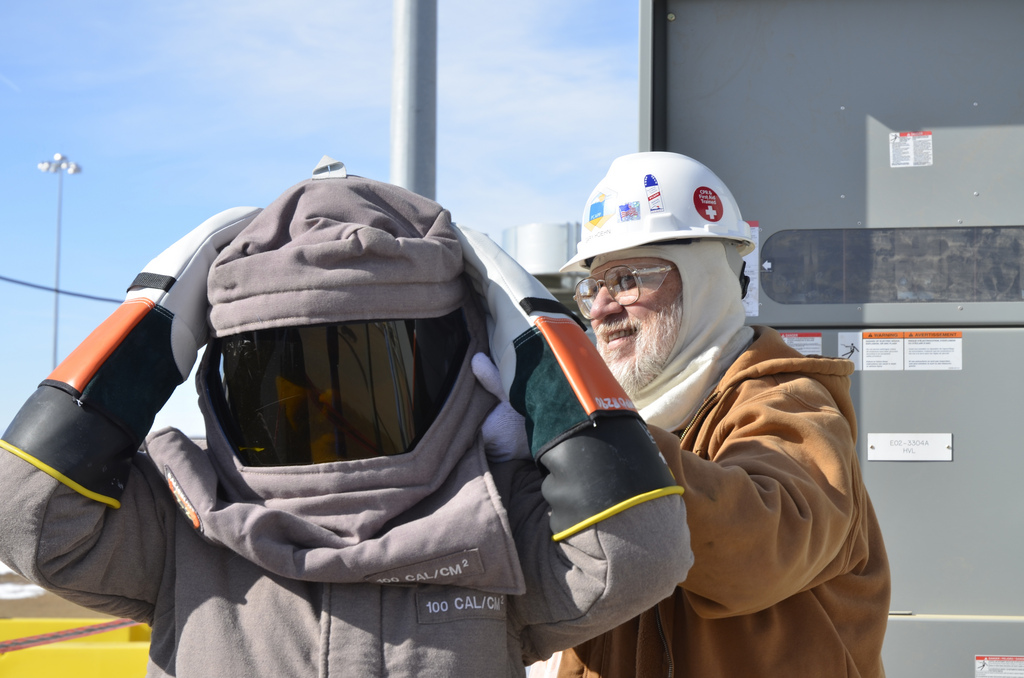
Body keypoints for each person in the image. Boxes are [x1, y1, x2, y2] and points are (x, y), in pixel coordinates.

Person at [0, 157, 694, 677]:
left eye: (366, 368)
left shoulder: (491, 517)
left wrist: (535, 340)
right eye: (286, 379)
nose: (326, 406)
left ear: (456, 360)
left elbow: (638, 552)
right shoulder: (184, 517)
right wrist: (154, 313)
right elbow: (24, 512)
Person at [550, 151, 891, 677]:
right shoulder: (635, 420)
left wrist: (605, 438)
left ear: (705, 280)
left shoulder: (786, 403)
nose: (600, 308)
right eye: (593, 286)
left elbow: (764, 551)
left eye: (627, 280)